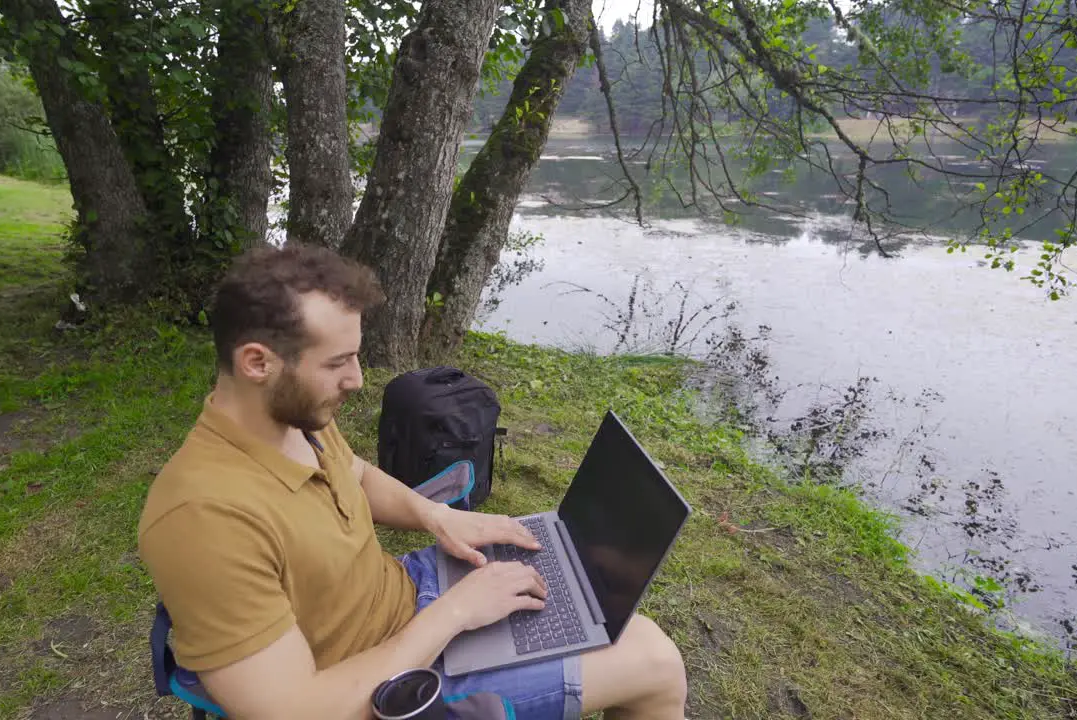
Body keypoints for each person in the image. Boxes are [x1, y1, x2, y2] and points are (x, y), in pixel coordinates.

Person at [138, 245, 687, 720]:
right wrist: (457, 613)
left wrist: (438, 517)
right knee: (656, 662)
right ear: (258, 362)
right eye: (339, 363)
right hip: (379, 683)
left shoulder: (291, 421)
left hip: (408, 598)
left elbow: (353, 472)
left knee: (602, 606)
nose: (356, 380)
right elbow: (295, 710)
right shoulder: (203, 519)